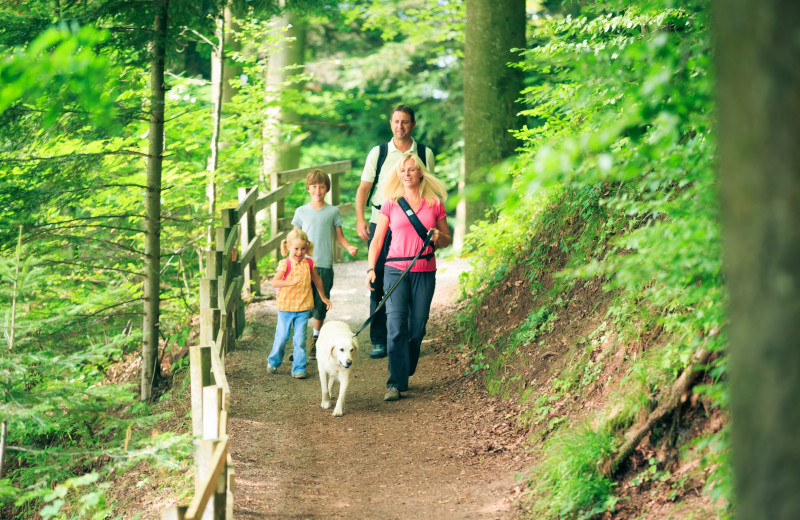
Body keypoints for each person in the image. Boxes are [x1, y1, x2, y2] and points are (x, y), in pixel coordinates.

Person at [365, 152, 451, 401]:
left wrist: (438, 236)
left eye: (411, 170)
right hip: (395, 271)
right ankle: (395, 382)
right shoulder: (391, 202)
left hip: (424, 271)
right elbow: (377, 239)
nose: (406, 174)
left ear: (420, 172)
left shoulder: (434, 203)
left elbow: (446, 240)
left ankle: (404, 366)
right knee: (395, 326)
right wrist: (371, 269)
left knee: (418, 327)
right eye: (402, 170)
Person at [356, 105, 436, 360]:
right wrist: (360, 220)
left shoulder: (424, 153)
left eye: (405, 122)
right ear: (390, 123)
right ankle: (379, 339)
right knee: (378, 279)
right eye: (395, 122)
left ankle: (409, 337)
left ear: (413, 124)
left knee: (412, 279)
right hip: (381, 220)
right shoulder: (378, 153)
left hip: (414, 226)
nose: (399, 126)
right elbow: (363, 189)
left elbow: (431, 188)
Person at [292, 169, 358, 359]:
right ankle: (298, 346)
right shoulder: (301, 211)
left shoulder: (332, 211)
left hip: (324, 265)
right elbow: (294, 238)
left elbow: (340, 237)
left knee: (321, 304)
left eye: (321, 186)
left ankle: (315, 339)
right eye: (314, 186)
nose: (317, 190)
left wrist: (349, 248)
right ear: (308, 188)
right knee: (301, 304)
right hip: (303, 265)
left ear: (327, 188)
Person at [268, 228, 332, 379]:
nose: (299, 252)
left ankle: (298, 368)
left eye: (303, 248)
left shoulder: (309, 263)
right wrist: (290, 282)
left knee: (300, 339)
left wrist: (323, 297)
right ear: (289, 247)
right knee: (282, 337)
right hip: (285, 308)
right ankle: (274, 361)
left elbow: (317, 280)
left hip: (303, 308)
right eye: (296, 248)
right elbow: (275, 282)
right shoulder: (285, 264)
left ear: (307, 248)